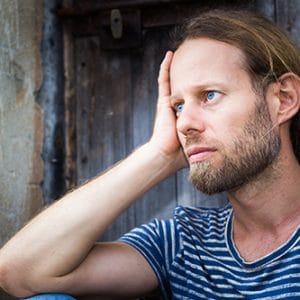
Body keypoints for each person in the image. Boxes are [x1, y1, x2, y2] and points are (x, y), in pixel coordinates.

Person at [0, 8, 300, 300]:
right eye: (178, 106)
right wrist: (158, 155)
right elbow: (18, 272)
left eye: (209, 95)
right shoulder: (184, 242)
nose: (184, 124)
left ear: (283, 99)